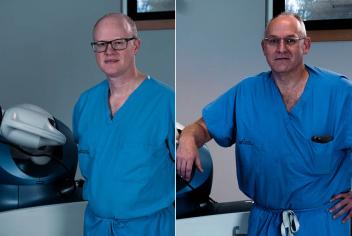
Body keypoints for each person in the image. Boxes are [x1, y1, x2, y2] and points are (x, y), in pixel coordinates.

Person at [176, 12, 352, 235]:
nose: (281, 48)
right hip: (266, 223)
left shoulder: (339, 92)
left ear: (306, 45)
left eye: (290, 40)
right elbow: (202, 127)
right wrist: (189, 137)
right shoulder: (247, 92)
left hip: (323, 222)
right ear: (264, 47)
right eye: (273, 41)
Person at [73, 13, 175, 236]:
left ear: (136, 45)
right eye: (101, 44)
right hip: (97, 227)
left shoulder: (166, 101)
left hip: (148, 227)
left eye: (118, 42)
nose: (109, 51)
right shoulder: (85, 103)